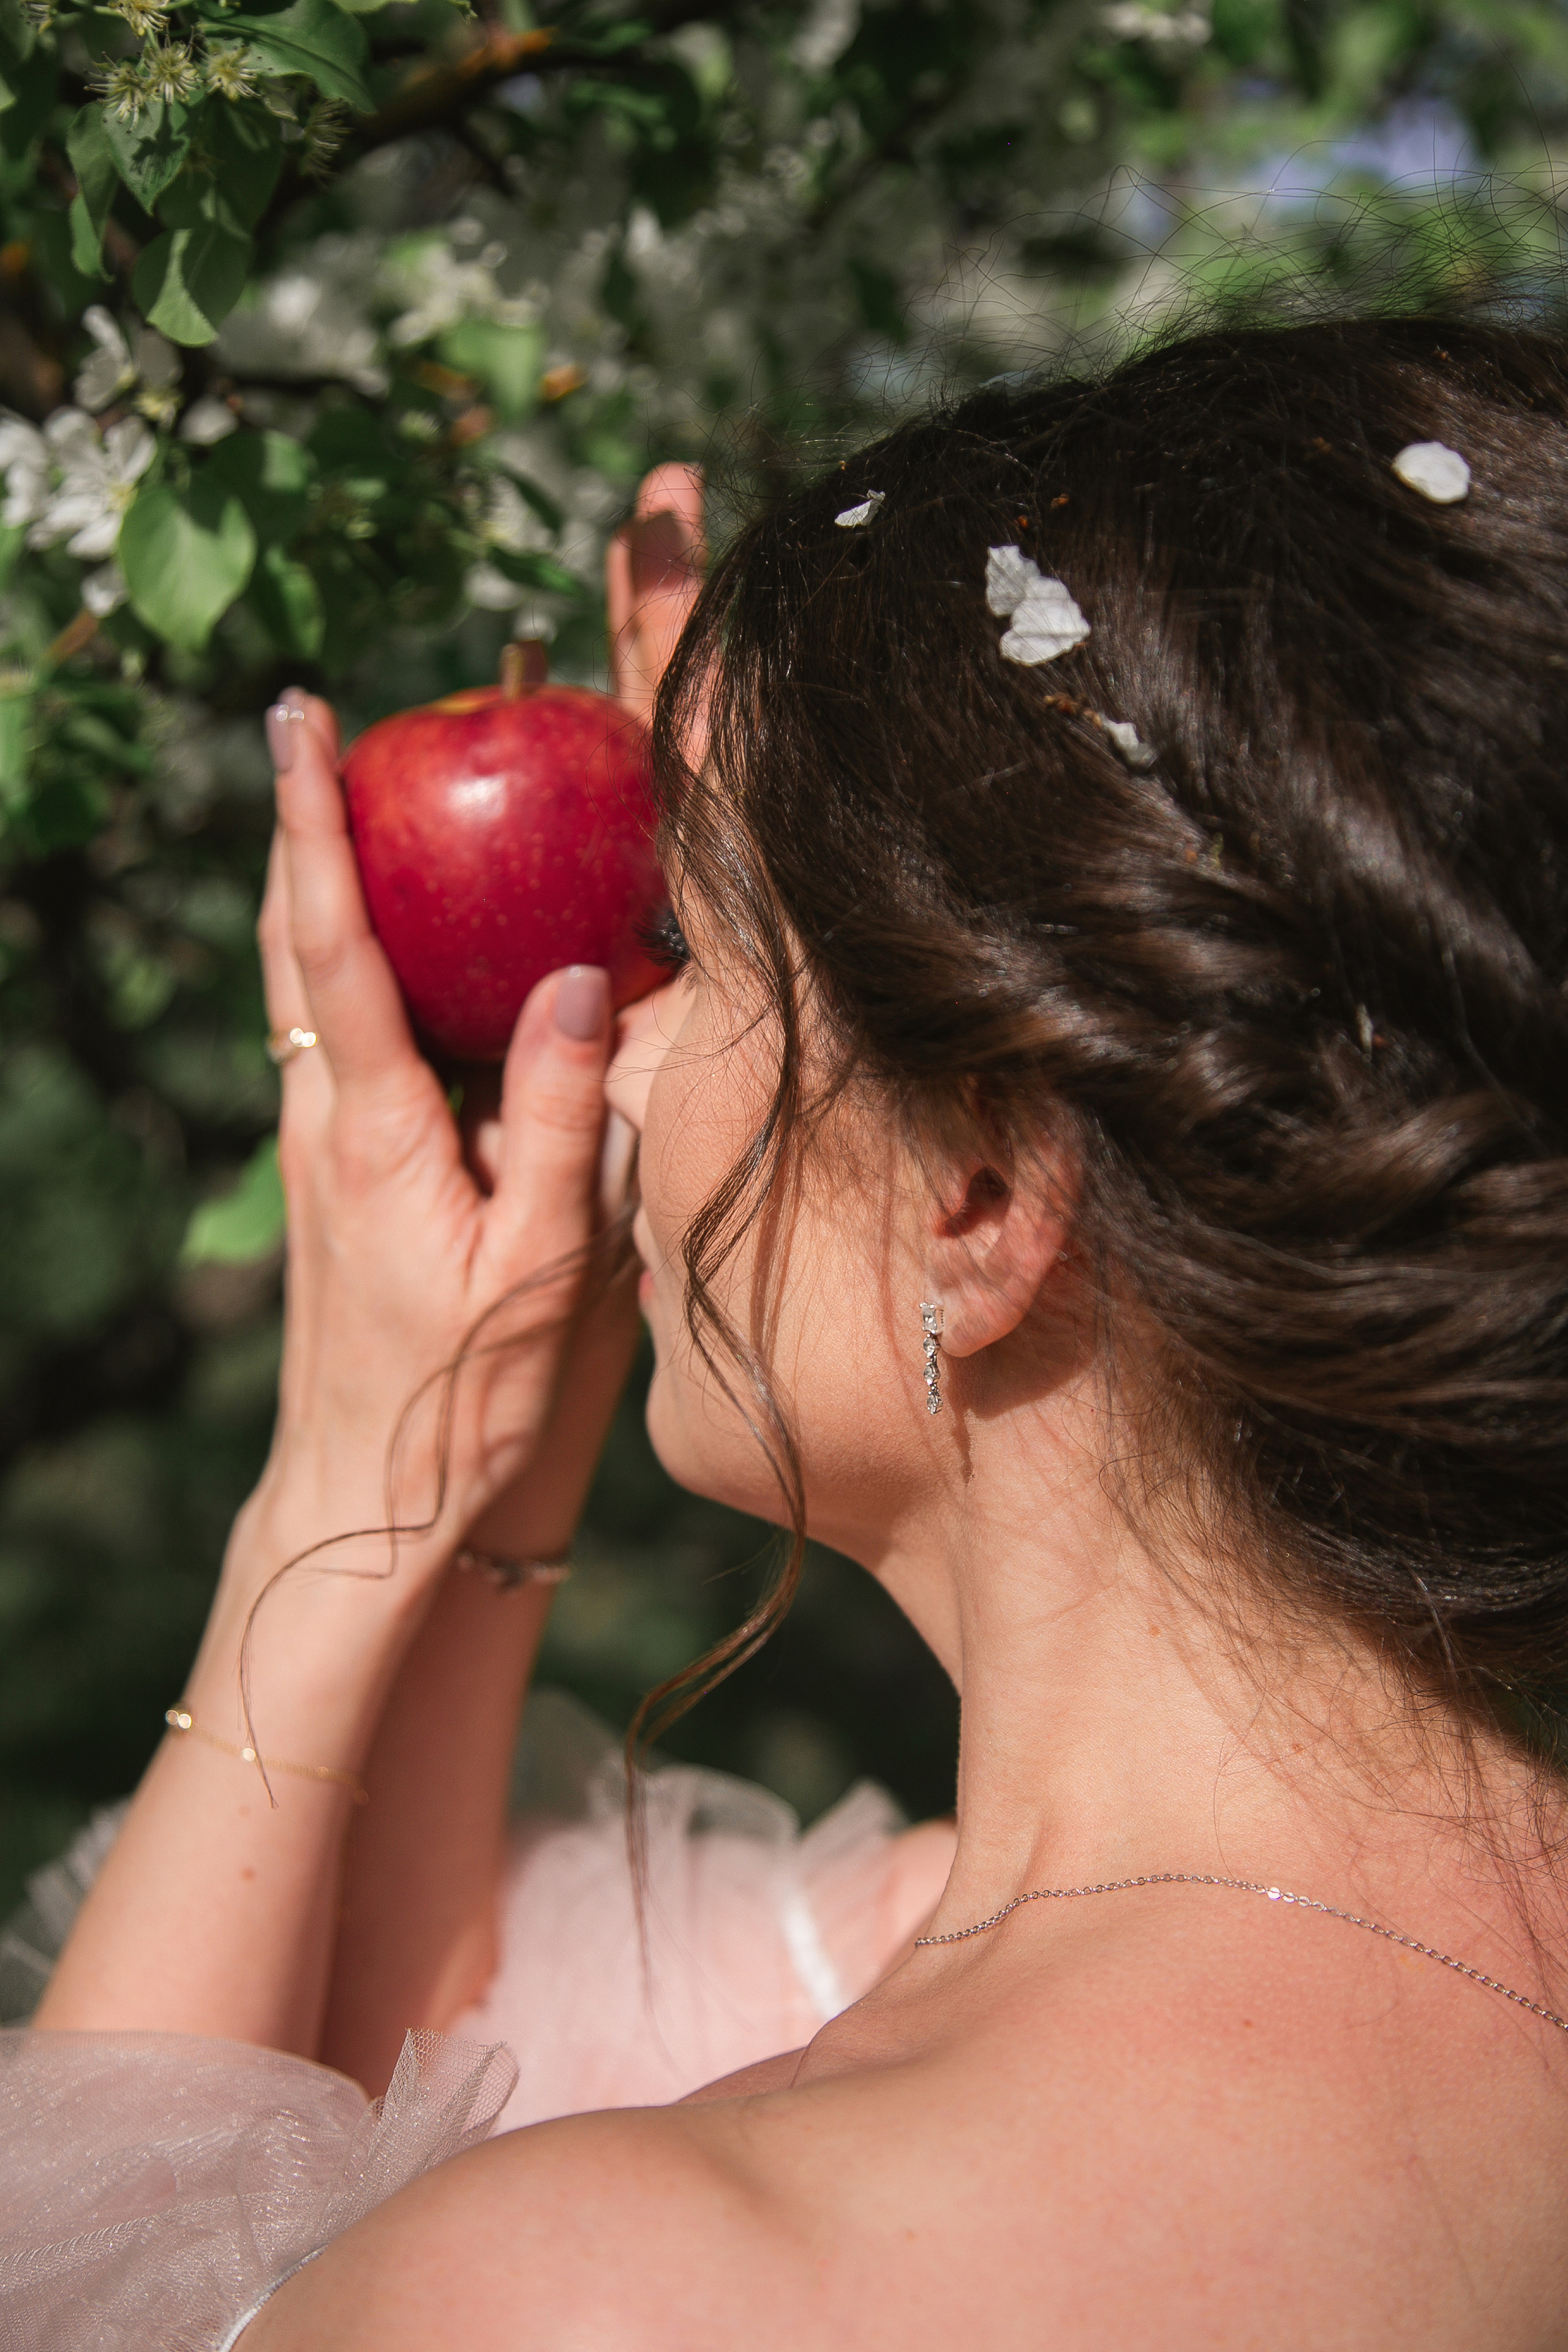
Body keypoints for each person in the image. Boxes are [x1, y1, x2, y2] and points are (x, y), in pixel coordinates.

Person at [7, 308, 1568, 2349]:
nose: (622, 1056)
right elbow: (420, 2072)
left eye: (691, 943)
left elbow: (129, 2285)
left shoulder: (609, 2294)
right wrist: (450, 1466)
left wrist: (334, 1481)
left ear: (987, 1187)